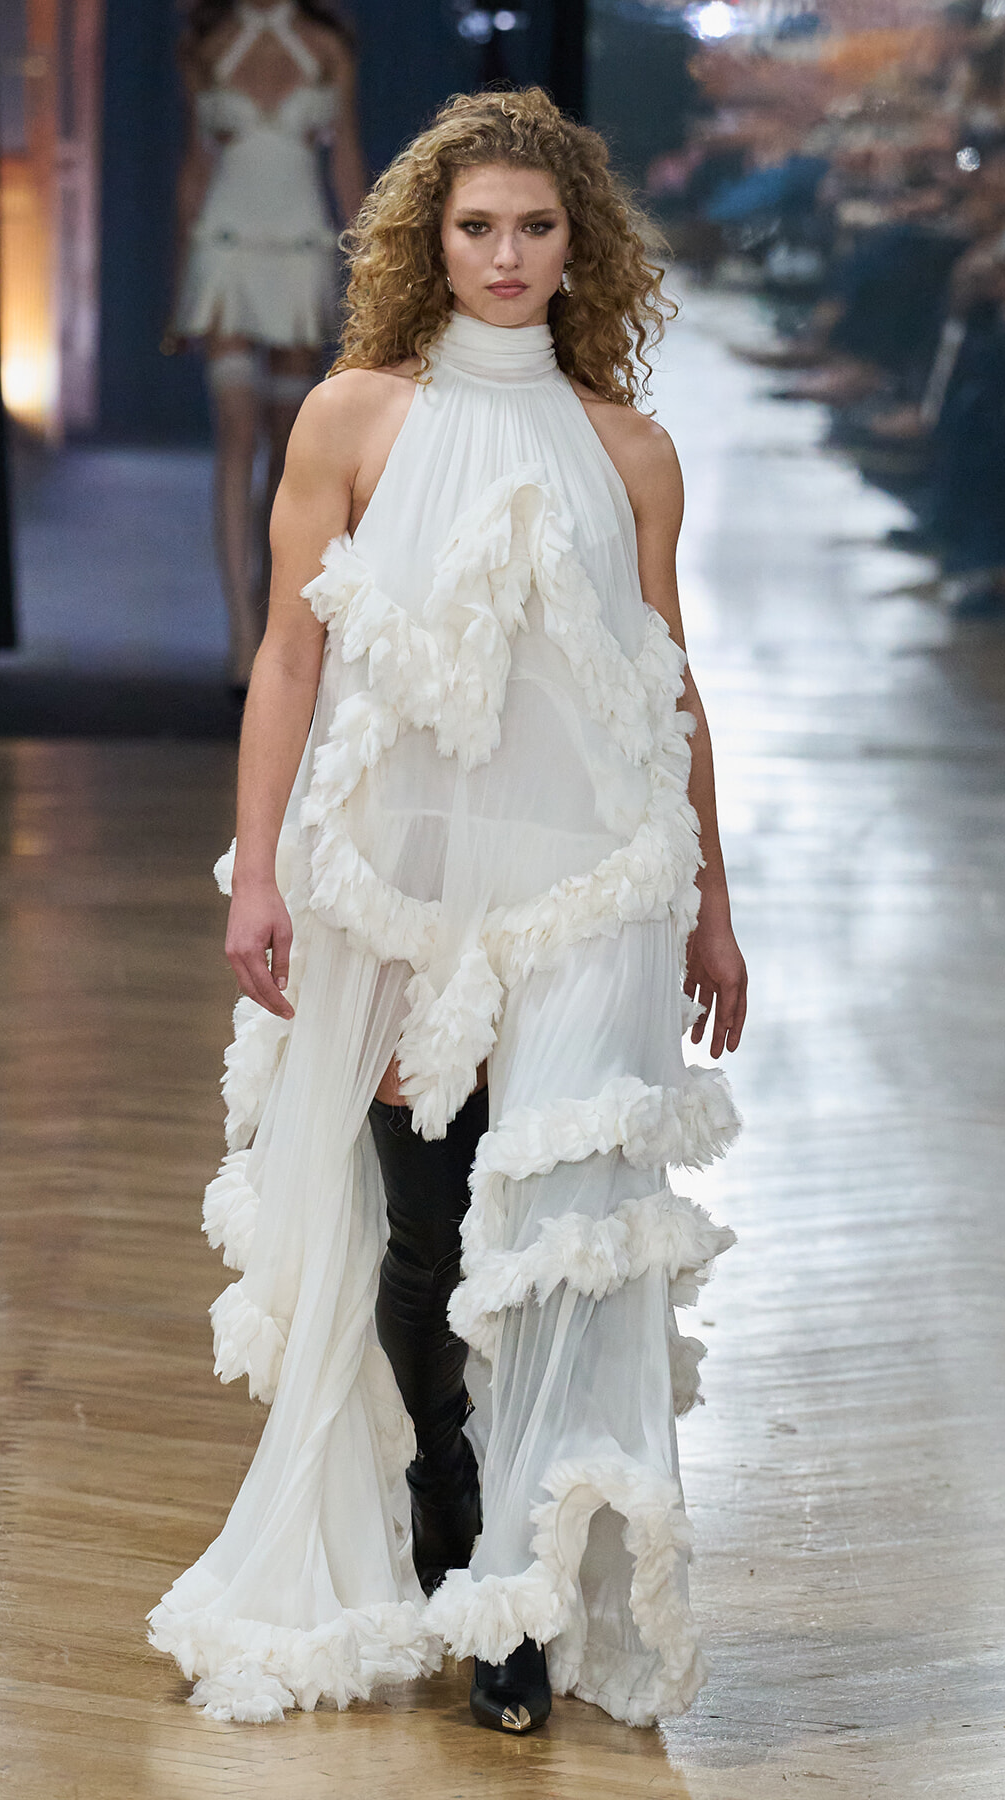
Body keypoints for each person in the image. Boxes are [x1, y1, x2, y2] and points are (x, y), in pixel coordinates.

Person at [147, 87, 747, 1737]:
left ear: (579, 247)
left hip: (597, 887)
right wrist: (261, 868)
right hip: (402, 886)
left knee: (556, 1237)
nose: (505, 255)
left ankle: (515, 1597)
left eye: (536, 228)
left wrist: (714, 908)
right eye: (477, 226)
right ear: (431, 238)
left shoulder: (632, 452)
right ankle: (444, 1493)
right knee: (426, 1233)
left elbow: (666, 689)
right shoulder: (353, 418)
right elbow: (291, 655)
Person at [168, 0, 366, 692]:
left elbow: (347, 163)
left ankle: (266, 607)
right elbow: (196, 167)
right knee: (236, 434)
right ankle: (240, 636)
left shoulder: (327, 46)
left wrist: (372, 276)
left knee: (288, 450)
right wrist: (177, 291)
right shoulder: (208, 45)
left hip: (301, 249)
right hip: (224, 250)